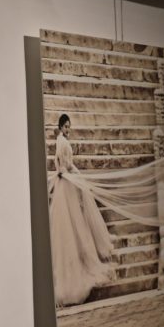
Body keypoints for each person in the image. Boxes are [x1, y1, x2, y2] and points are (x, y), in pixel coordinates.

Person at [48, 114, 113, 307]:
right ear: (61, 127)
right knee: (70, 223)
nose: (68, 129)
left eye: (69, 126)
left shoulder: (60, 141)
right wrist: (75, 174)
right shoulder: (62, 142)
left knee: (70, 223)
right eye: (66, 126)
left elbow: (60, 164)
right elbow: (65, 165)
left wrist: (74, 173)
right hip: (66, 184)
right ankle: (73, 274)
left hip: (65, 182)